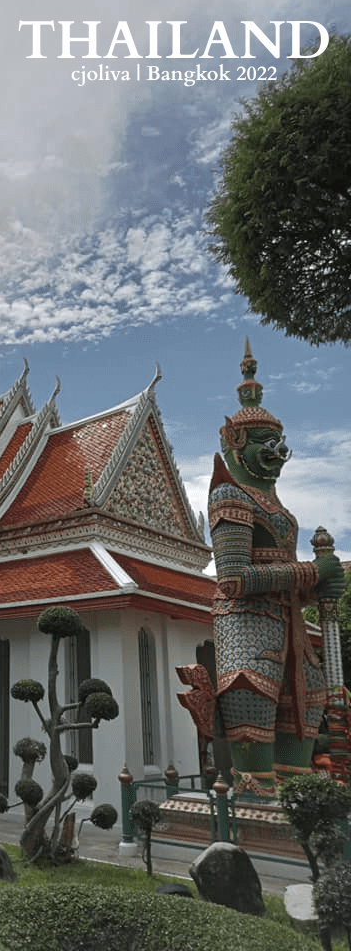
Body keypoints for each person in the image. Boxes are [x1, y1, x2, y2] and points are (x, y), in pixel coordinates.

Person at [205, 340, 345, 795]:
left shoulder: (281, 512)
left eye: (280, 444)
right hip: (248, 642)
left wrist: (323, 585)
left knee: (300, 769)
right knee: (256, 780)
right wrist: (310, 574)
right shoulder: (229, 496)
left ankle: (310, 835)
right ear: (236, 444)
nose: (278, 452)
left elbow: (288, 579)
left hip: (294, 639)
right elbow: (233, 578)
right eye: (266, 444)